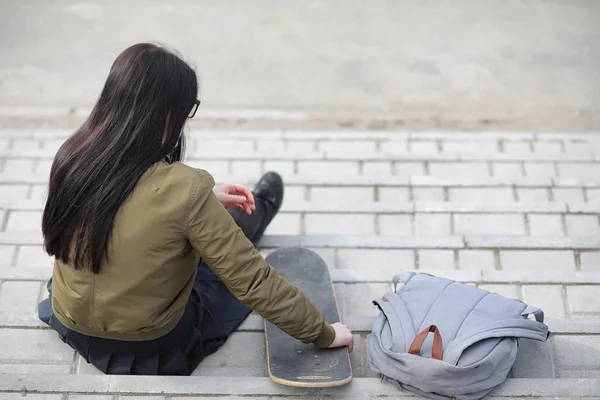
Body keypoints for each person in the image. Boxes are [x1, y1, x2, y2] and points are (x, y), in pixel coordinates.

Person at [37, 42, 353, 376]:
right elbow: (253, 282)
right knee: (219, 269)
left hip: (71, 320)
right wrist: (323, 332)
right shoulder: (187, 189)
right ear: (168, 114)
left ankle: (244, 217)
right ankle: (256, 213)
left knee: (195, 226)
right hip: (147, 344)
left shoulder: (72, 156)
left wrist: (205, 198)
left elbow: (128, 204)